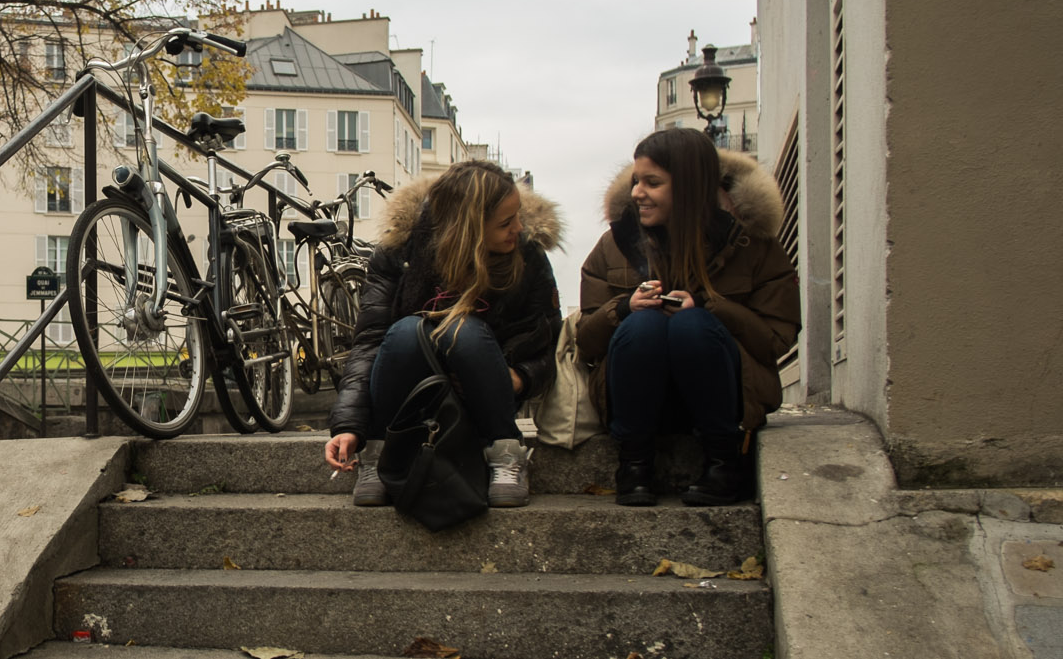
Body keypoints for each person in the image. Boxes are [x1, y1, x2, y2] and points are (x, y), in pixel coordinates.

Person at [575, 128, 799, 507]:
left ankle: (724, 463)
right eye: (635, 181)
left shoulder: (751, 244)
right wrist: (625, 307)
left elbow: (776, 341)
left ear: (691, 187)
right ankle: (634, 466)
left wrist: (711, 307)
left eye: (652, 182)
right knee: (644, 324)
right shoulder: (615, 244)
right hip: (638, 400)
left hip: (725, 396)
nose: (637, 193)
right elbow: (586, 342)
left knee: (690, 326)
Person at [324, 160, 563, 508]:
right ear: (469, 227)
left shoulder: (528, 257)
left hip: (484, 392)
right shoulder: (398, 253)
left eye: (517, 218)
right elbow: (370, 343)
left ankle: (505, 451)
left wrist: (519, 377)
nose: (519, 228)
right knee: (406, 331)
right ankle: (378, 452)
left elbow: (545, 341)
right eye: (506, 222)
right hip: (412, 400)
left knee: (464, 331)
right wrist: (350, 426)